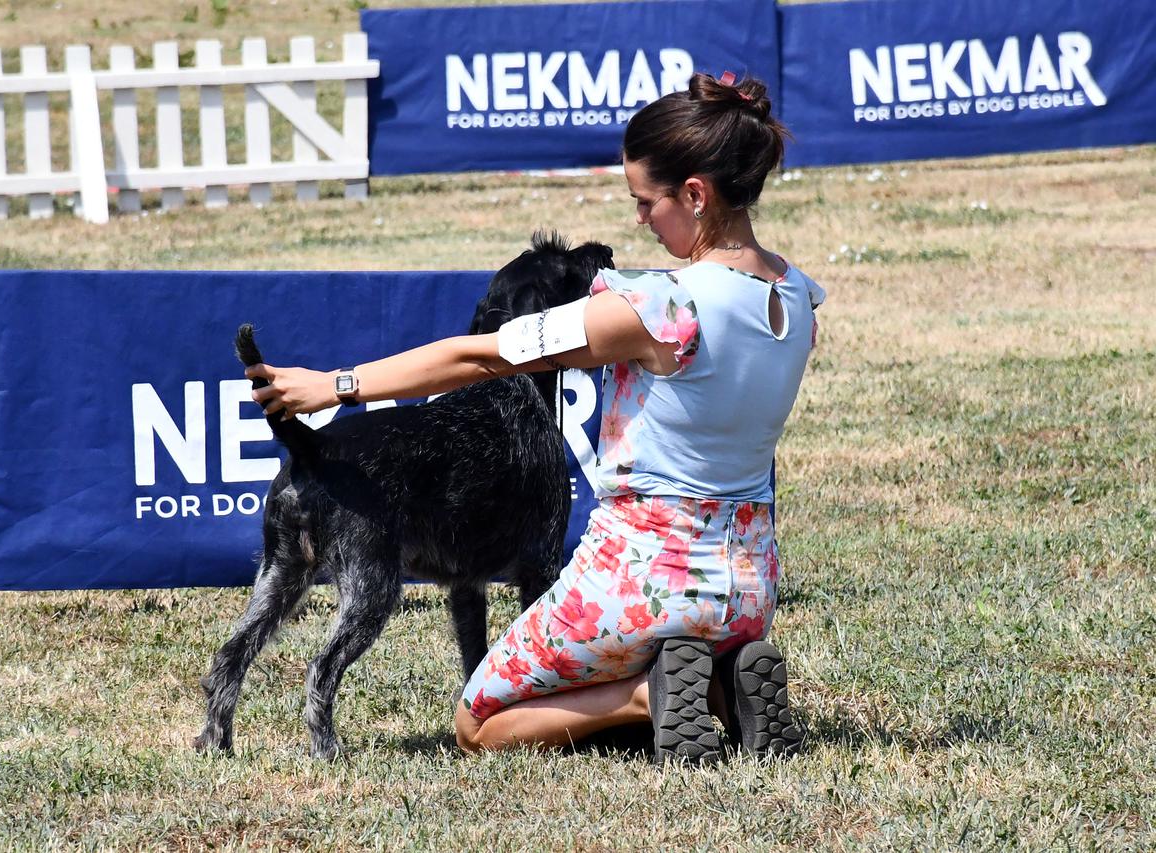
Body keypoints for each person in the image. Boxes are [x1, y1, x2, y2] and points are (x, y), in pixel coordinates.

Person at [247, 71, 823, 762]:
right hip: (750, 586)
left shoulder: (663, 308)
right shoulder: (797, 296)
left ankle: (654, 693)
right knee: (676, 636)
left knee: (479, 722)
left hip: (644, 582)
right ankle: (727, 680)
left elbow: (481, 356)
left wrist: (337, 386)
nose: (638, 219)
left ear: (696, 195)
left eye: (645, 201)